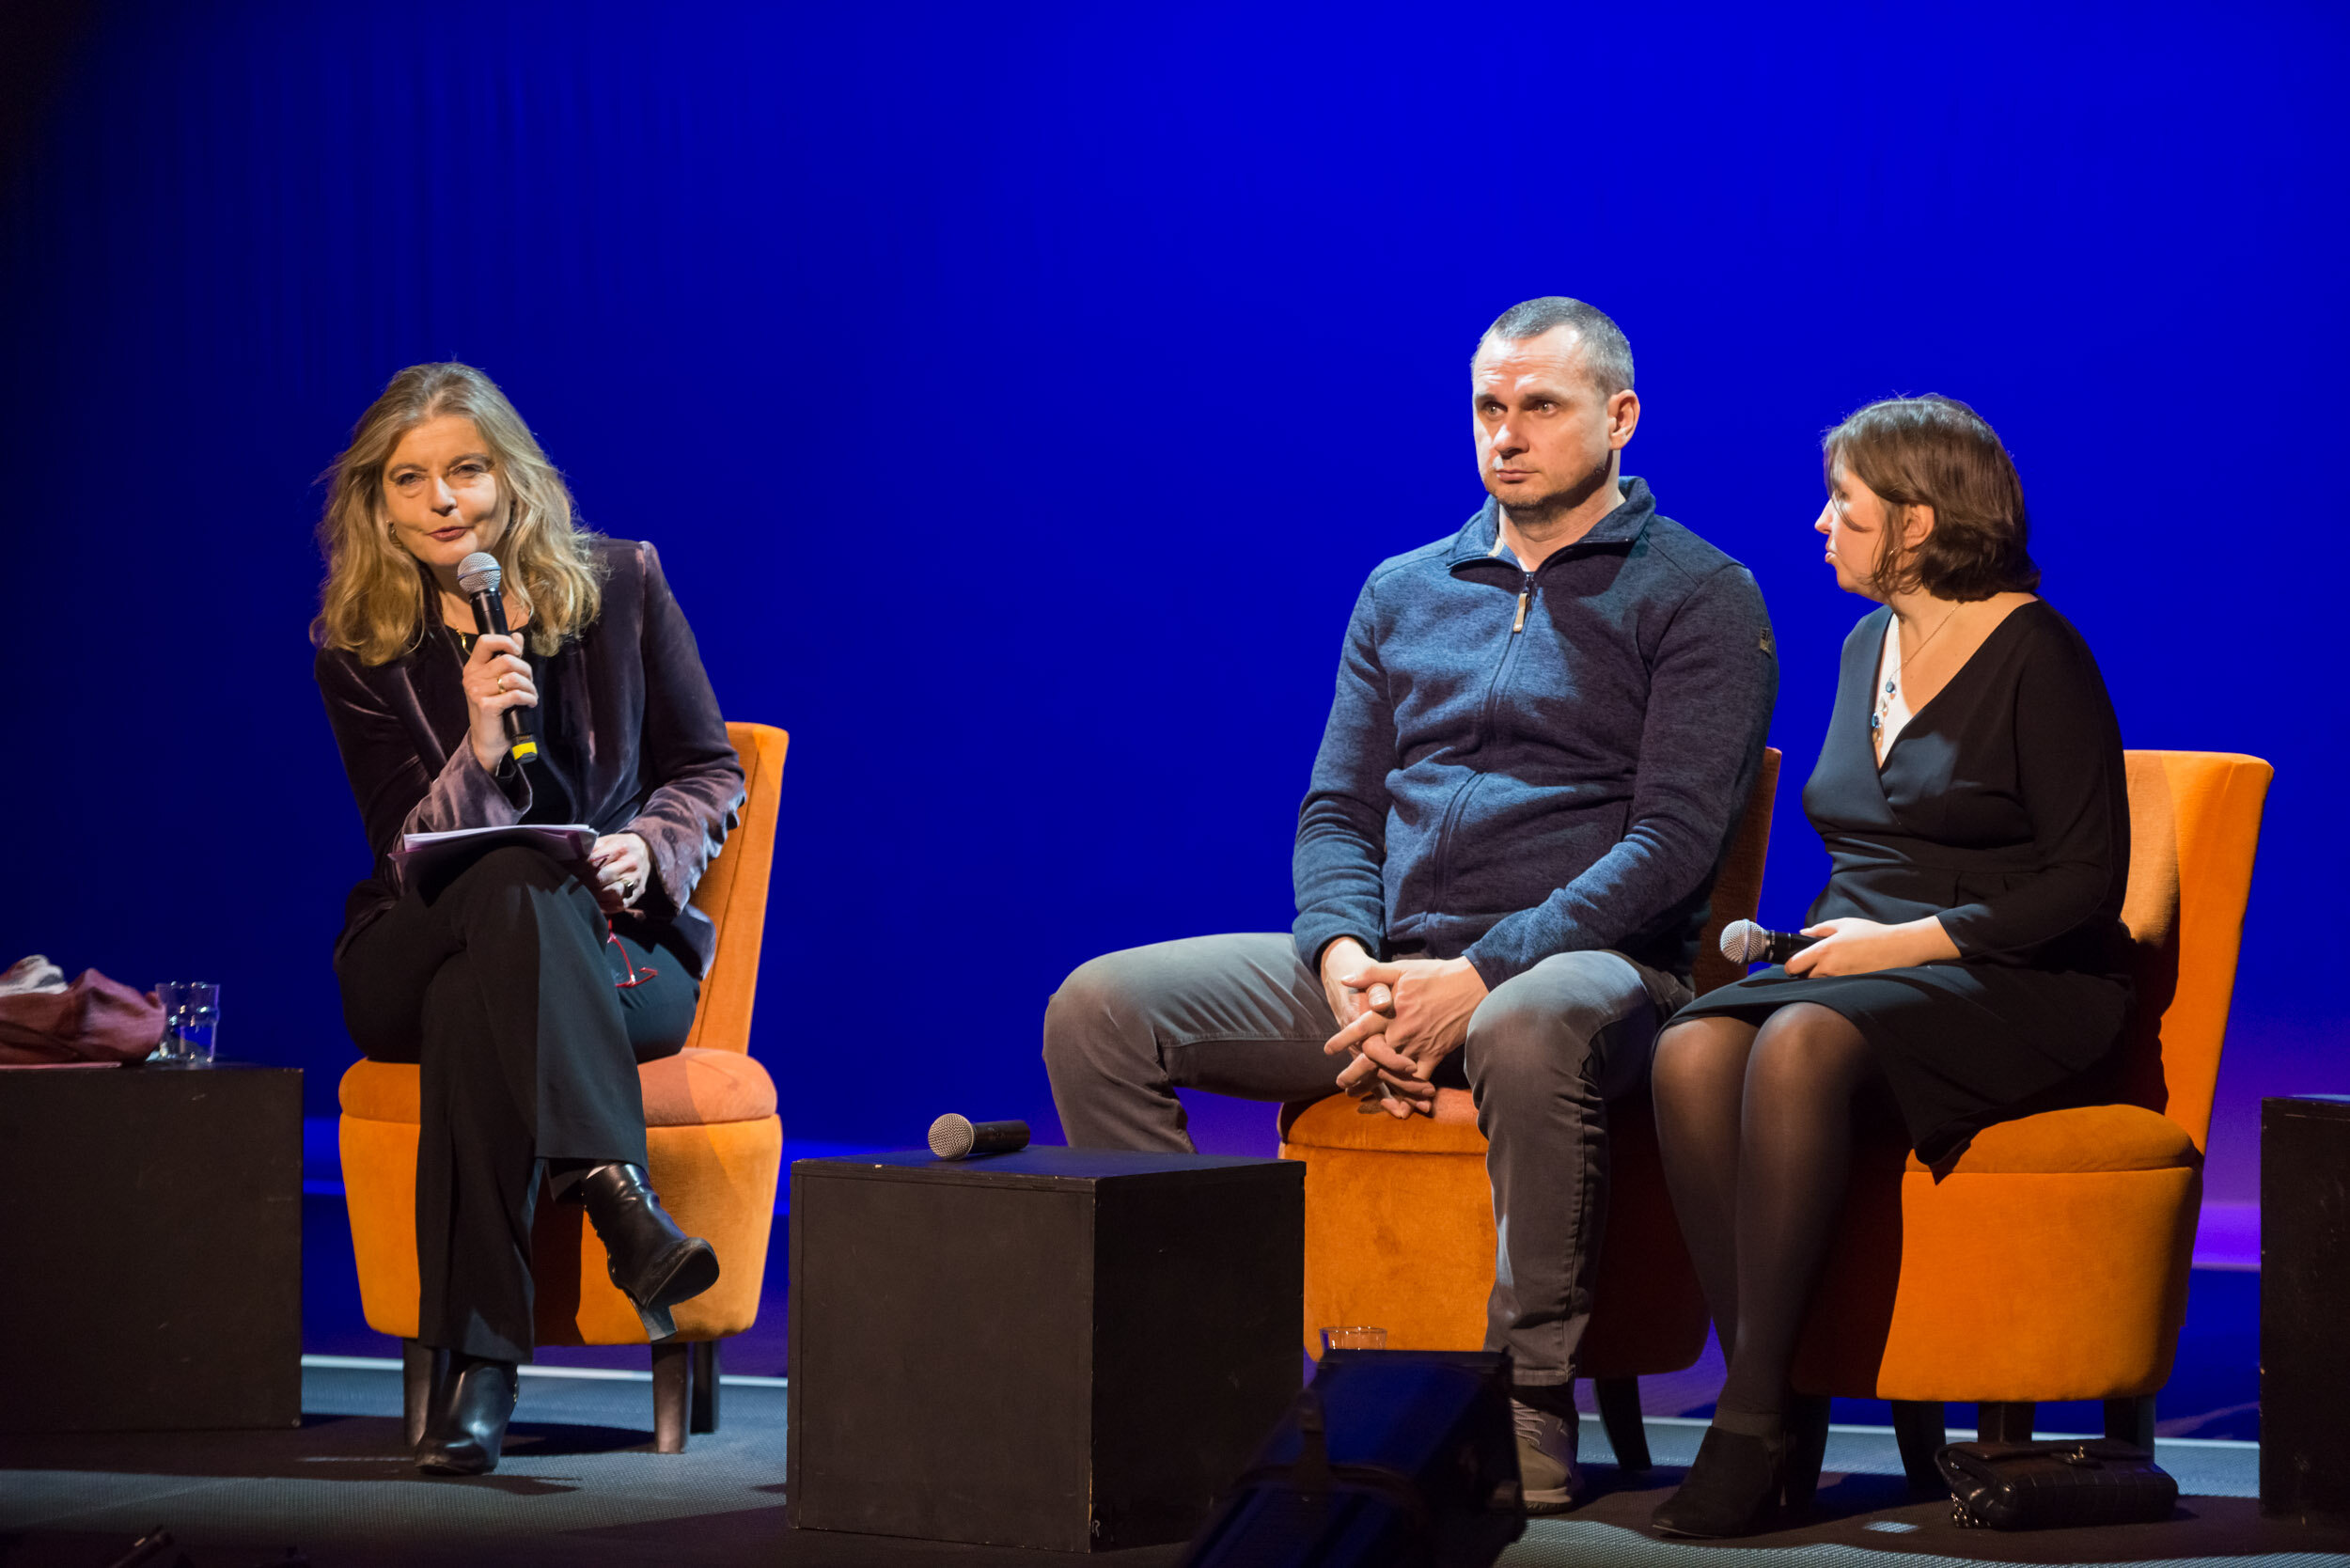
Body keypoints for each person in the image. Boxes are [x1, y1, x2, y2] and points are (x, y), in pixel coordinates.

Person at [1043, 297, 1778, 1510]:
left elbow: (1672, 846)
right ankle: (1206, 1378)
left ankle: (1525, 1399)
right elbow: (1336, 808)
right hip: (1388, 964)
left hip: (1597, 972)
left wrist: (1478, 976)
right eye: (1490, 407)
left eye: (1540, 406)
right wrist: (1343, 959)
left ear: (1620, 418)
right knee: (1102, 1010)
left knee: (1529, 1023)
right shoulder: (1403, 587)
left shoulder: (1700, 595)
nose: (1508, 433)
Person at [1647, 396, 2134, 1538]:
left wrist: (1903, 943)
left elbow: (2082, 885)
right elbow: (1863, 840)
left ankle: (1752, 1419)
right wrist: (1844, 942)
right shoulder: (1866, 641)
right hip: (1858, 946)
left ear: (1914, 524)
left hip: (2014, 972)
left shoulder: (2039, 653)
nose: (1820, 526)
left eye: (1843, 506)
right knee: (1691, 1050)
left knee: (1804, 1045)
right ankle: (1789, 1393)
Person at [313, 363, 745, 1476]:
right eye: (410, 481)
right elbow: (402, 847)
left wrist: (647, 847)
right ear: (376, 501)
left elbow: (705, 767)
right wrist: (473, 733)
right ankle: (617, 1197)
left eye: (464, 471)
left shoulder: (622, 583)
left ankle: (481, 1372)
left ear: (512, 476)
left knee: (488, 987)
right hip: (410, 943)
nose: (442, 501)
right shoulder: (360, 645)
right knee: (497, 887)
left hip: (612, 951)